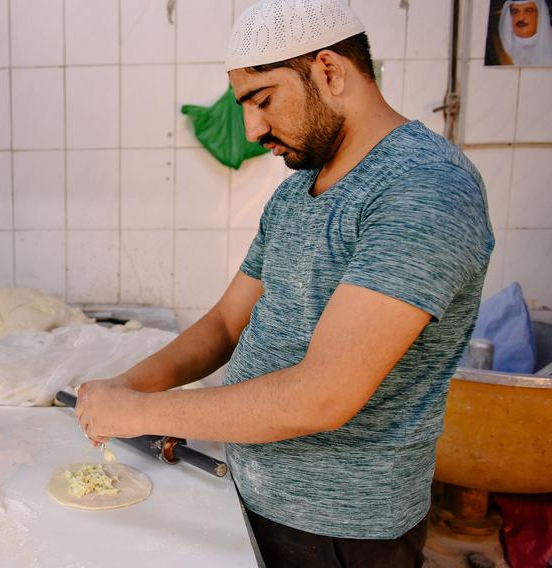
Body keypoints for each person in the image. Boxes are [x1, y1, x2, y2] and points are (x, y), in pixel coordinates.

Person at [74, 0, 495, 566]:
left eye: (263, 100)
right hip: (248, 494)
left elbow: (324, 395)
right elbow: (226, 324)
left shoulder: (425, 189)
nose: (252, 129)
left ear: (329, 70)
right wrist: (124, 388)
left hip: (342, 531)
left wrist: (138, 415)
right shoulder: (297, 192)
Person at [498, 0, 552, 65]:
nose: (520, 18)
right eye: (515, 12)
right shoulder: (497, 48)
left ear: (540, 15)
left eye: (528, 11)